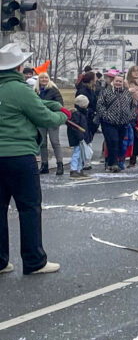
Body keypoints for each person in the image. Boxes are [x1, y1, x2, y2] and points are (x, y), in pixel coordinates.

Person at [0, 43, 69, 275]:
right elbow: (43, 116)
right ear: (18, 67)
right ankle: (34, 261)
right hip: (19, 156)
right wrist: (61, 114)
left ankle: (0, 261)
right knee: (29, 209)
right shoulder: (20, 90)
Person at [96, 74, 135, 172]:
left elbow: (132, 107)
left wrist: (130, 117)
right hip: (108, 123)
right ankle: (114, 164)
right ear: (113, 81)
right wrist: (106, 116)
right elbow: (100, 105)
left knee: (120, 143)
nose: (118, 83)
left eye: (120, 81)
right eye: (117, 81)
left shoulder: (127, 94)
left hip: (122, 123)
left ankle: (111, 162)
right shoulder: (106, 92)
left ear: (123, 83)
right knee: (113, 141)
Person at [35, 72, 64, 175]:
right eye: (41, 78)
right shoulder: (35, 91)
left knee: (55, 142)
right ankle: (44, 164)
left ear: (49, 79)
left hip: (52, 119)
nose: (44, 79)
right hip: (41, 119)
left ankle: (60, 164)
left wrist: (49, 110)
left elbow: (59, 105)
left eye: (46, 78)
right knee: (42, 143)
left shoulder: (53, 90)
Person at [67, 94, 92, 179]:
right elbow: (75, 128)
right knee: (77, 154)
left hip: (81, 137)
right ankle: (73, 170)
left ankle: (79, 169)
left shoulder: (82, 113)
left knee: (81, 154)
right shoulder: (77, 114)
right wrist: (81, 137)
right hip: (78, 138)